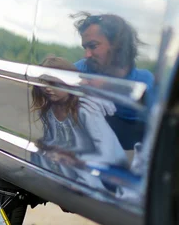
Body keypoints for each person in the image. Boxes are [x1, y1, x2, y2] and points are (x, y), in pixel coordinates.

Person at [31, 56, 127, 189]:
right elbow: (53, 141)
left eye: (53, 83)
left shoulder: (85, 110)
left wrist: (76, 159)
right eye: (44, 83)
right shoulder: (49, 111)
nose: (47, 88)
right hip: (69, 163)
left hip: (97, 164)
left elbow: (108, 150)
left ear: (69, 82)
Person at [73, 13, 155, 150]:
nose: (86, 54)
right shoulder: (83, 69)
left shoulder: (146, 82)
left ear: (118, 45)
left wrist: (107, 87)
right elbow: (48, 81)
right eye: (85, 48)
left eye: (93, 46)